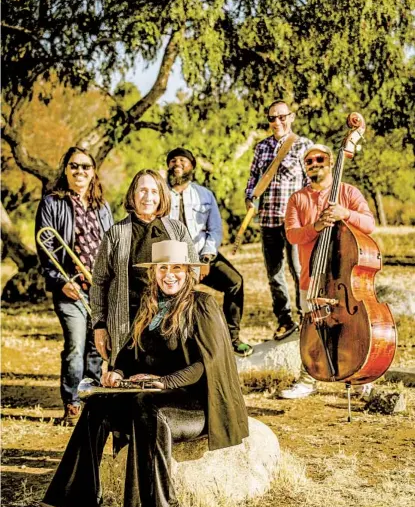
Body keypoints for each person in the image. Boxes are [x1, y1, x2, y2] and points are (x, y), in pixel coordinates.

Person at [27, 240, 249, 507]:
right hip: (151, 396)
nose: (170, 275)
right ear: (154, 272)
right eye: (164, 268)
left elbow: (208, 363)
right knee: (96, 404)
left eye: (177, 269)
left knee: (147, 405)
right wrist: (117, 371)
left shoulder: (202, 304)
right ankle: (65, 500)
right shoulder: (149, 303)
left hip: (196, 404)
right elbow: (131, 353)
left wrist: (164, 382)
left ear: (188, 272)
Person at [280, 144, 376, 399]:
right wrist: (316, 226)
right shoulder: (297, 199)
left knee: (353, 327)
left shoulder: (348, 192)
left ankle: (357, 377)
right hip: (312, 279)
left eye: (319, 159)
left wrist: (345, 213)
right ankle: (307, 379)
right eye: (308, 161)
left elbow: (369, 224)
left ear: (331, 162)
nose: (314, 164)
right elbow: (292, 235)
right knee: (313, 329)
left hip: (346, 279)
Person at [35, 146, 113, 426]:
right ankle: (72, 403)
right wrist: (60, 281)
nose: (80, 171)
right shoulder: (52, 203)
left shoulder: (102, 206)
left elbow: (112, 245)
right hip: (70, 289)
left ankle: (89, 398)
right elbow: (45, 249)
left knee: (96, 347)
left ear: (93, 172)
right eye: (74, 166)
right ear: (65, 170)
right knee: (75, 346)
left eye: (85, 167)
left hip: (99, 289)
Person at [90, 169, 199, 368]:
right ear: (133, 194)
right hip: (126, 323)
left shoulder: (177, 230)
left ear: (162, 196)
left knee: (166, 381)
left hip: (168, 323)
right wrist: (99, 325)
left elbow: (194, 271)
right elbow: (99, 282)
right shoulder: (116, 233)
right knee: (125, 380)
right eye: (142, 190)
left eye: (154, 191)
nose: (148, 197)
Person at [166, 147, 253, 357]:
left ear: (192, 167)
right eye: (173, 160)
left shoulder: (204, 195)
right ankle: (177, 350)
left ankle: (232, 339)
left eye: (183, 161)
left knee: (235, 282)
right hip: (171, 260)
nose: (177, 164)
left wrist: (205, 258)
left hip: (202, 256)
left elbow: (214, 230)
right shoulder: (160, 195)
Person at [245, 101, 313, 340]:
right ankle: (285, 320)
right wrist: (249, 198)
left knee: (299, 270)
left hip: (294, 221)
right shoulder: (261, 147)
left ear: (291, 117)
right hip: (268, 219)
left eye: (282, 117)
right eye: (272, 118)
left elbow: (310, 182)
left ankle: (306, 316)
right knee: (274, 274)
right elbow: (253, 177)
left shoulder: (305, 145)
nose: (277, 122)